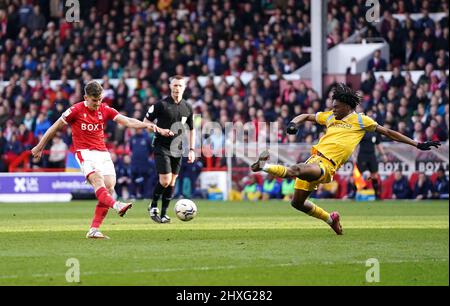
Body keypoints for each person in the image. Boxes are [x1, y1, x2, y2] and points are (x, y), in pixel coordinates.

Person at [251, 83, 441, 235]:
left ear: (348, 106)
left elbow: (388, 132)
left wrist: (417, 144)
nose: (333, 110)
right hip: (314, 159)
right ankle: (331, 219)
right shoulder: (330, 117)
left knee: (297, 170)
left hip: (327, 166)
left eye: (336, 107)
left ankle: (264, 166)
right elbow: (305, 116)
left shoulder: (361, 120)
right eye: (332, 107)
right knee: (297, 203)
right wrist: (293, 123)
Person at [31, 81, 173, 239]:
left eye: (99, 99)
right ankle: (117, 204)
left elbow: (127, 121)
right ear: (86, 97)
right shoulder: (75, 110)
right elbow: (55, 127)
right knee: (98, 182)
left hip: (102, 153)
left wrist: (151, 126)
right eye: (94, 100)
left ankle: (93, 230)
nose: (97, 103)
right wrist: (40, 146)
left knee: (110, 187)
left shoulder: (105, 109)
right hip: (84, 152)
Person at [144, 75, 195, 223]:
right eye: (174, 85)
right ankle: (153, 205)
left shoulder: (188, 107)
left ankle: (165, 213)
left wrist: (192, 149)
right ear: (170, 87)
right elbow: (145, 122)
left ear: (184, 88)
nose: (177, 88)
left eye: (180, 85)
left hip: (177, 148)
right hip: (161, 146)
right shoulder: (161, 105)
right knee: (165, 180)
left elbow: (192, 129)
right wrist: (159, 130)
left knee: (172, 182)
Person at [356, 130, 388, 199]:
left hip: (372, 156)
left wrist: (383, 155)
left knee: (375, 176)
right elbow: (355, 144)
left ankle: (377, 194)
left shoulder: (375, 132)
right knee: (366, 174)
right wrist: (354, 156)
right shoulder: (362, 131)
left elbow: (378, 144)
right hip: (362, 156)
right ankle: (359, 192)